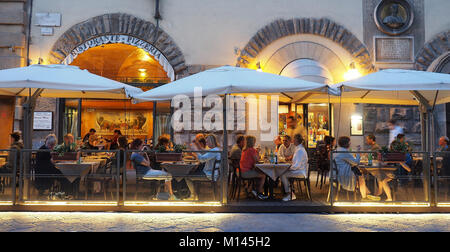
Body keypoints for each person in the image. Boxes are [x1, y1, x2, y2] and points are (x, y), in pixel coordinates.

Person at [333, 136, 379, 201]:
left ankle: (366, 194)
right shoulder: (344, 152)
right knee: (361, 176)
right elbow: (355, 162)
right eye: (349, 142)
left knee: (359, 174)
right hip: (344, 174)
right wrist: (358, 153)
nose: (350, 144)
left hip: (338, 173)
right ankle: (364, 196)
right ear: (346, 144)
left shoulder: (337, 150)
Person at [281, 134, 309, 201]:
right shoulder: (299, 148)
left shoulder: (299, 150)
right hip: (300, 170)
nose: (293, 140)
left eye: (294, 139)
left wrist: (288, 168)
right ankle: (290, 192)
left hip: (300, 172)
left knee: (283, 175)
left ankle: (289, 194)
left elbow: (296, 166)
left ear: (296, 140)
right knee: (283, 173)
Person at [239, 135, 267, 200]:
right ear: (252, 142)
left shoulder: (244, 150)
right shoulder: (251, 150)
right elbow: (257, 160)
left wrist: (256, 152)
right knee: (263, 175)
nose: (255, 143)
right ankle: (259, 193)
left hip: (241, 171)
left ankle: (252, 190)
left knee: (258, 173)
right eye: (254, 141)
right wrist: (257, 152)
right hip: (245, 172)